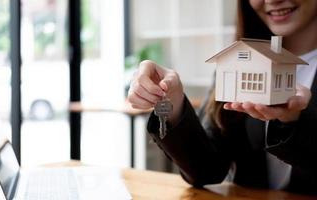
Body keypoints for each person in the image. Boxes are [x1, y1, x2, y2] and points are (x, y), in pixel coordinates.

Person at [127, 0, 317, 195]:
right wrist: (173, 103)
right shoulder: (239, 63)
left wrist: (293, 123)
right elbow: (206, 171)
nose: (271, 0)